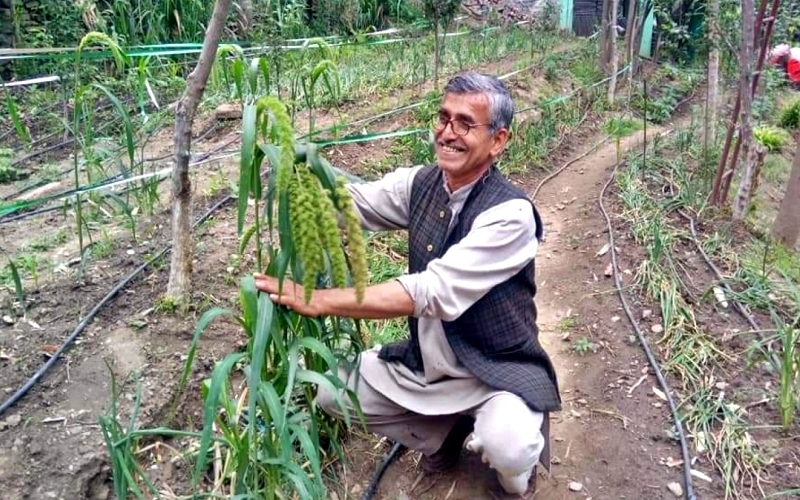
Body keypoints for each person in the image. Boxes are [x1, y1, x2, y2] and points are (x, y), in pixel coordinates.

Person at [254, 71, 561, 498]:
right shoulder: (420, 184)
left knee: (507, 446)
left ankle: (517, 483)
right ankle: (445, 434)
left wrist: (323, 300)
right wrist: (295, 178)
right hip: (430, 364)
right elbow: (354, 203)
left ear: (498, 141)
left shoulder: (511, 215)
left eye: (465, 123)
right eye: (443, 117)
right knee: (332, 392)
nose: (447, 132)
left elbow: (431, 291)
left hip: (494, 372)